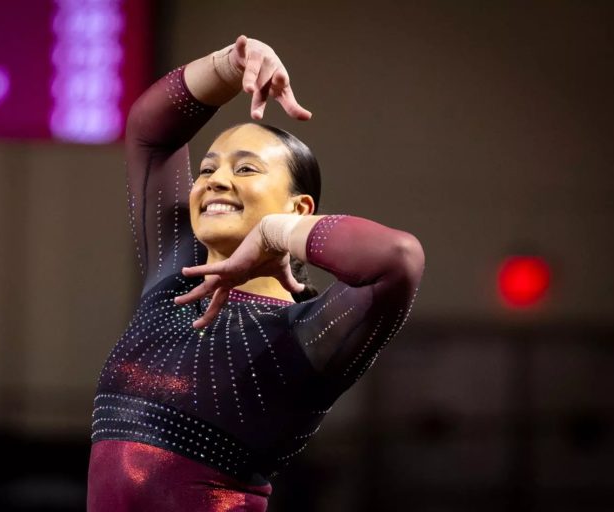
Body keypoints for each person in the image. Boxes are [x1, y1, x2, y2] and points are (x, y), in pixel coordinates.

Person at [87, 35, 425, 511]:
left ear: (299, 208)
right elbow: (151, 130)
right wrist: (231, 63)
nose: (215, 181)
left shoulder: (305, 333)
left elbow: (397, 258)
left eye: (245, 169)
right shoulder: (175, 280)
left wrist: (271, 234)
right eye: (207, 171)